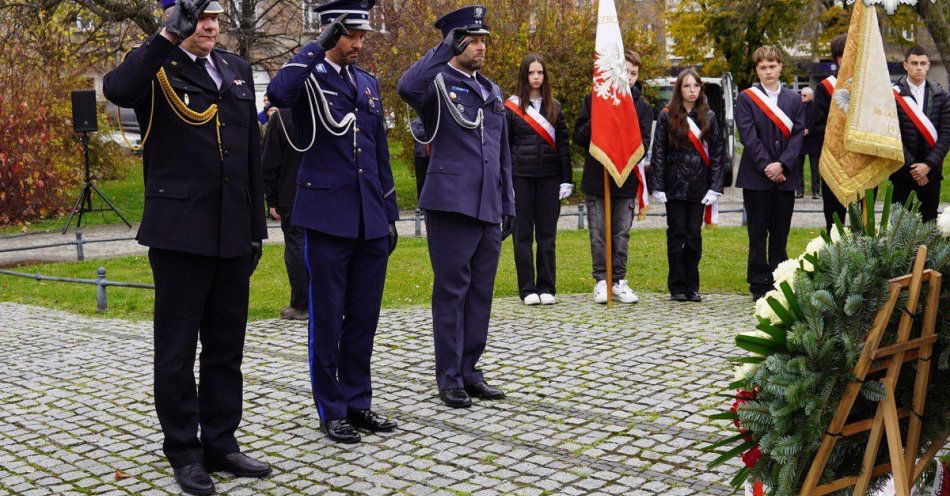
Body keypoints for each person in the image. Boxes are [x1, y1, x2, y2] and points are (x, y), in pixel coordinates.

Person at [102, 0, 270, 494]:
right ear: (176, 19)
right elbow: (116, 90)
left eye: (215, 17)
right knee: (175, 350)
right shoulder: (156, 66)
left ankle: (222, 442)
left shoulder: (237, 69)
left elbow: (250, 156)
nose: (211, 26)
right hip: (180, 232)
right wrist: (164, 39)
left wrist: (255, 228)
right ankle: (183, 450)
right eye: (199, 17)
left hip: (232, 231)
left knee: (226, 345)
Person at [267, 0, 400, 443]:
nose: (359, 44)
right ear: (329, 33)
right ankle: (332, 408)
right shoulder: (308, 78)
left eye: (362, 35)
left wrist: (390, 214)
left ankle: (359, 401)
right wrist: (315, 47)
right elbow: (279, 93)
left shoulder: (366, 83)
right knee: (326, 318)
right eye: (350, 35)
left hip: (368, 218)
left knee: (364, 316)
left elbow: (378, 152)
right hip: (326, 218)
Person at [397, 5, 515, 409]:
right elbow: (406, 87)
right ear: (456, 41)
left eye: (484, 40)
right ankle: (448, 377)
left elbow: (502, 153)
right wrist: (442, 49)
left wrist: (509, 202)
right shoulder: (438, 84)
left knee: (480, 292)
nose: (481, 47)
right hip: (451, 204)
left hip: (487, 204)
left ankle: (470, 370)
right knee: (452, 292)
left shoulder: (492, 90)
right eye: (473, 39)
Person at [574, 50, 652, 305]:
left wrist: (621, 159)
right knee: (598, 232)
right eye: (625, 71)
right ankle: (601, 280)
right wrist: (600, 116)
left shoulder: (642, 107)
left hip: (625, 179)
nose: (628, 77)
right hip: (598, 179)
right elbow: (580, 137)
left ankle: (618, 280)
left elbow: (643, 144)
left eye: (634, 73)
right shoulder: (594, 100)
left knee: (620, 233)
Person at [734, 45, 804, 301]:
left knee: (780, 232)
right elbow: (748, 136)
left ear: (780, 67)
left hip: (785, 177)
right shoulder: (746, 98)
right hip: (757, 177)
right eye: (763, 67)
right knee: (757, 232)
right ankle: (757, 283)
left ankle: (778, 280)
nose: (768, 71)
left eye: (772, 66)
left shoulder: (794, 100)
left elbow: (797, 136)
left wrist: (783, 165)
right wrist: (768, 165)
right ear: (757, 70)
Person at [649, 68, 725, 303]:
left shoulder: (709, 117)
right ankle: (676, 286)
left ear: (701, 89)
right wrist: (658, 185)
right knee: (676, 235)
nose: (692, 90)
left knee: (693, 236)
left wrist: (715, 186)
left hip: (698, 186)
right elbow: (658, 151)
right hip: (674, 185)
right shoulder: (666, 115)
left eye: (696, 86)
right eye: (686, 86)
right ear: (679, 89)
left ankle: (692, 286)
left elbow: (717, 154)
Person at [504, 53, 573, 306]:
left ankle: (547, 286)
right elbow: (505, 147)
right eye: (532, 73)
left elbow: (563, 147)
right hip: (521, 178)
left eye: (540, 73)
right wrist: (506, 181)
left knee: (547, 236)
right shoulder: (511, 108)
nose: (536, 77)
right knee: (522, 236)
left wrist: (566, 180)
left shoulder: (555, 106)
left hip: (549, 179)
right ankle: (527, 289)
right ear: (524, 75)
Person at [890, 45, 950, 222]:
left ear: (929, 65)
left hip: (931, 172)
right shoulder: (893, 95)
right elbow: (891, 135)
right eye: (914, 63)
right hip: (902, 171)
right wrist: (913, 167)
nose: (919, 67)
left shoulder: (941, 95)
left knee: (929, 225)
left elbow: (946, 134)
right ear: (905, 65)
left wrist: (927, 166)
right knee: (899, 227)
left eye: (923, 63)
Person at [261, 106, 307, 321]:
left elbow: (270, 160)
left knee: (296, 246)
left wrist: (272, 198)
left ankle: (301, 303)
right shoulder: (328, 109)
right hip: (325, 193)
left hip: (292, 192)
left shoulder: (282, 116)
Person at [811, 34, 848, 231]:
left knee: (864, 226)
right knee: (834, 222)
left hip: (862, 163)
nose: (847, 59)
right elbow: (817, 127)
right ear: (836, 59)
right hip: (834, 162)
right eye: (842, 55)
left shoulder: (868, 87)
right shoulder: (826, 87)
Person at [798, 87, 819, 199]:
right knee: (798, 168)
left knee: (815, 168)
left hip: (813, 141)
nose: (802, 97)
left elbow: (818, 122)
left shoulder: (816, 107)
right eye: (801, 94)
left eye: (804, 95)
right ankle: (799, 191)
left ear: (810, 96)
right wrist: (800, 130)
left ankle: (815, 191)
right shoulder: (798, 107)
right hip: (800, 142)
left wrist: (809, 131)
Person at [411, 117, 431, 198]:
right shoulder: (415, 122)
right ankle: (420, 203)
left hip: (433, 156)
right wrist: (428, 130)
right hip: (420, 155)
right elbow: (416, 134)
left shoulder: (433, 120)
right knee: (421, 180)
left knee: (432, 180)